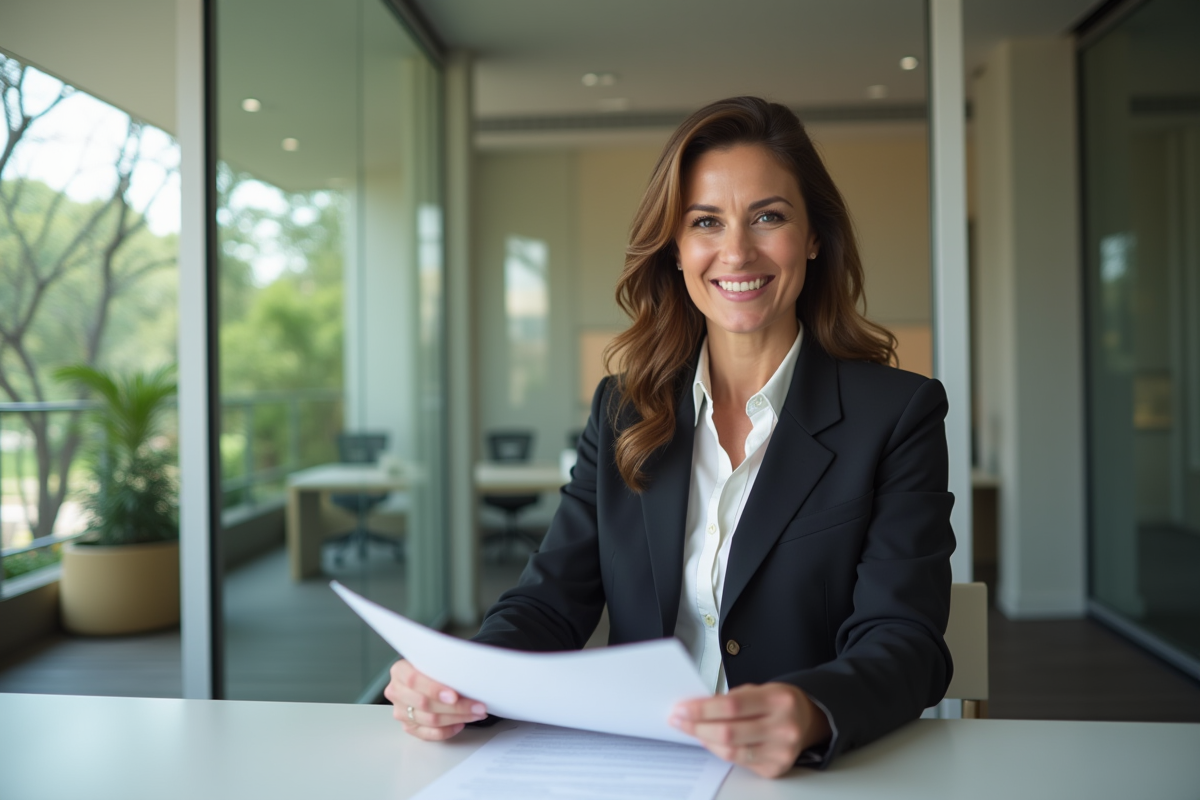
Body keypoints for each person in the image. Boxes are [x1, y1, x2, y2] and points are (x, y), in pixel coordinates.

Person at [385, 96, 955, 778]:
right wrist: (458, 682)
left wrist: (810, 709)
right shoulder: (623, 410)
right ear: (677, 250)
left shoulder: (896, 413)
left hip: (805, 777)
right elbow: (550, 601)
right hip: (640, 769)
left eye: (768, 217)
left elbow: (905, 639)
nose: (736, 251)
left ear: (813, 237)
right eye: (705, 222)